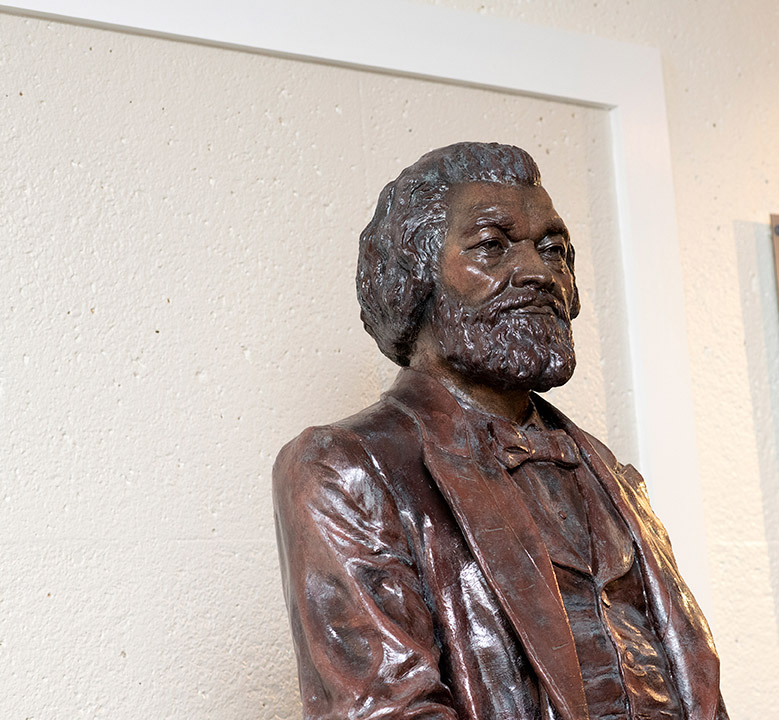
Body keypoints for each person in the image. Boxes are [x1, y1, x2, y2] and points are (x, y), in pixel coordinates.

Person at [273, 142, 728, 719]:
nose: (540, 272)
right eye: (492, 246)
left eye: (554, 249)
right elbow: (387, 709)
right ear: (415, 279)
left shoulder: (610, 472)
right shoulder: (343, 468)